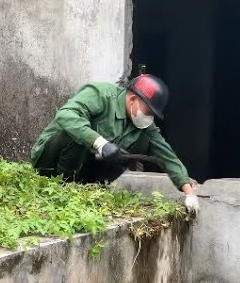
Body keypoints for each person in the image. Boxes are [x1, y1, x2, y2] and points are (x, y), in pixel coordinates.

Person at [30, 73, 200, 214]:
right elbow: (66, 115)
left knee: (133, 148)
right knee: (76, 132)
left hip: (82, 169)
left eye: (152, 114)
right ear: (132, 99)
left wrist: (189, 193)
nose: (148, 117)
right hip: (49, 162)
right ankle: (59, 189)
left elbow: (165, 154)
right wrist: (99, 143)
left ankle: (88, 190)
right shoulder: (100, 94)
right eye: (147, 111)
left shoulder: (143, 125)